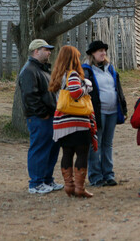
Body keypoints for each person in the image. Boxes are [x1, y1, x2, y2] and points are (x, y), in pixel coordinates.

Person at [50, 45, 96, 198]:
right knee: (82, 153)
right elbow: (76, 93)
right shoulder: (73, 74)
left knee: (67, 153)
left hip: (61, 122)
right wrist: (87, 87)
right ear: (73, 58)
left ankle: (69, 186)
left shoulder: (58, 75)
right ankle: (79, 188)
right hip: (76, 120)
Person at [19, 39, 63, 194]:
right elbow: (30, 96)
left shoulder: (42, 69)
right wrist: (42, 113)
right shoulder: (29, 70)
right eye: (46, 49)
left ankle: (47, 180)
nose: (49, 52)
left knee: (52, 148)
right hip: (39, 118)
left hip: (50, 116)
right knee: (39, 149)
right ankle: (36, 183)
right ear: (36, 51)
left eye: (49, 49)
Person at [83, 41, 128, 187]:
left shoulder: (110, 69)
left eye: (104, 51)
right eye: (99, 51)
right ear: (92, 54)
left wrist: (123, 108)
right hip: (97, 112)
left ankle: (108, 174)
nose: (103, 53)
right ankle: (96, 176)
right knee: (96, 144)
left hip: (112, 111)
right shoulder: (87, 71)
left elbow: (118, 89)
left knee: (107, 144)